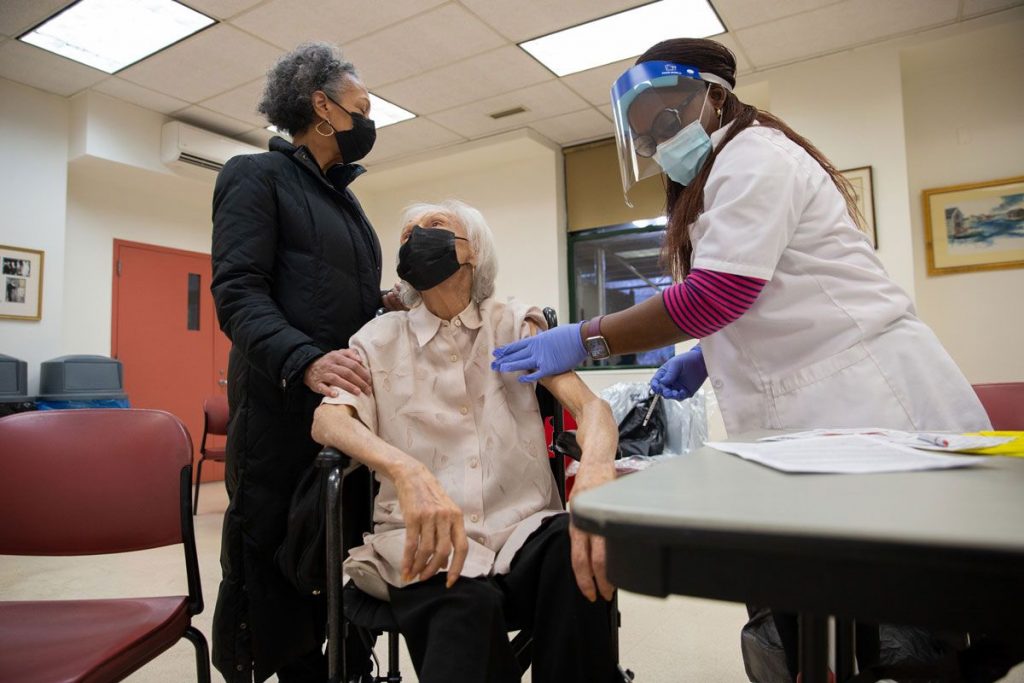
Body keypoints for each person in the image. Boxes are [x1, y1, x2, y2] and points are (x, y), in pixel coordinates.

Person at [492, 38, 992, 681]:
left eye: (666, 121)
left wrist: (584, 338)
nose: (658, 144)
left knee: (898, 631)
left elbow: (721, 292)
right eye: (645, 139)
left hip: (871, 403)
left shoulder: (753, 156)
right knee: (810, 612)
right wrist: (707, 353)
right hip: (810, 422)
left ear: (717, 97)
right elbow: (771, 290)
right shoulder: (718, 174)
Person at [311, 199, 621, 683]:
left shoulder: (512, 325)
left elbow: (592, 409)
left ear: (472, 251)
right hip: (426, 536)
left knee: (574, 550)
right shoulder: (376, 341)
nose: (417, 237)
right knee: (465, 608)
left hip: (523, 526)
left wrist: (598, 469)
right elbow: (329, 424)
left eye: (434, 227)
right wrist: (404, 468)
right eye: (408, 232)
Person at [210, 42, 399, 683]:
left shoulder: (341, 198)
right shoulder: (253, 176)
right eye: (361, 108)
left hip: (343, 415)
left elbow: (322, 290)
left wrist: (385, 301)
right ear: (322, 107)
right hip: (280, 410)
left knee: (337, 557)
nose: (367, 121)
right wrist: (305, 360)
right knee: (278, 567)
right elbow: (238, 294)